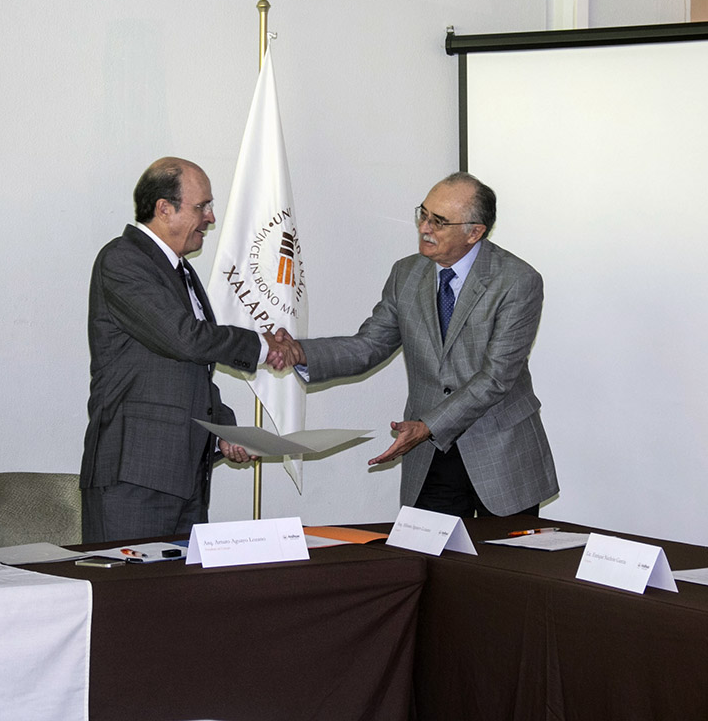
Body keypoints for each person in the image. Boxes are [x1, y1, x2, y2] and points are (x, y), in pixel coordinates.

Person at [270, 172, 558, 517]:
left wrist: (428, 425)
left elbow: (496, 377)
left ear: (475, 232)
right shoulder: (406, 274)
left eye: (439, 222)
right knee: (435, 565)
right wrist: (302, 352)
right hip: (431, 458)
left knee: (505, 568)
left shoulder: (516, 281)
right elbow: (369, 345)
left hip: (501, 453)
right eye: (423, 214)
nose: (425, 228)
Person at [81, 157, 282, 541]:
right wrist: (258, 345)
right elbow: (184, 338)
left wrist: (224, 431)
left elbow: (188, 370)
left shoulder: (181, 271)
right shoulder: (122, 259)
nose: (210, 218)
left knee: (178, 599)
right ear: (164, 209)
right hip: (133, 477)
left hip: (184, 477)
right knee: (131, 599)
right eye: (201, 206)